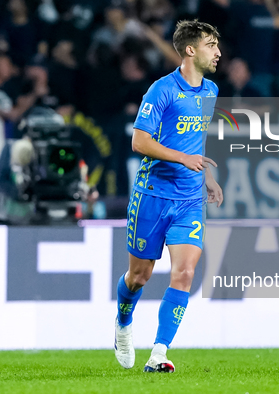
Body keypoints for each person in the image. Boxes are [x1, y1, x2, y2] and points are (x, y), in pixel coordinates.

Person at [114, 19, 223, 373]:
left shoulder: (210, 91)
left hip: (190, 199)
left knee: (185, 273)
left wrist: (205, 175)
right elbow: (139, 141)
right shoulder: (161, 90)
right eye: (211, 45)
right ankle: (123, 321)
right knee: (139, 276)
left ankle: (159, 353)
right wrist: (183, 159)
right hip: (152, 195)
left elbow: (196, 141)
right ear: (190, 50)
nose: (218, 52)